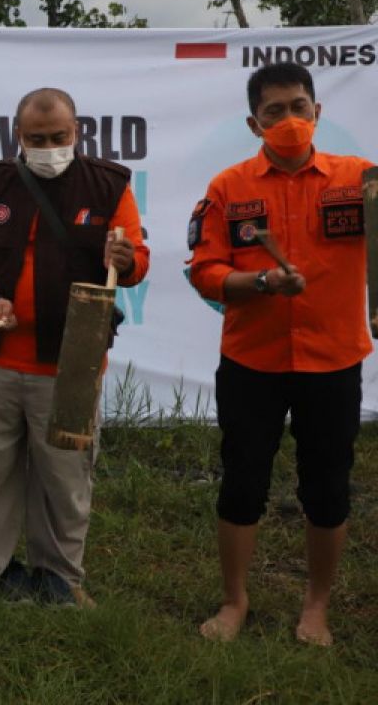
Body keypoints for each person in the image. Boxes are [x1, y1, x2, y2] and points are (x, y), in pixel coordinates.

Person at [188, 62, 372, 646]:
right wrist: (263, 283)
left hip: (334, 359)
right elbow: (205, 272)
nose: (289, 120)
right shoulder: (228, 187)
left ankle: (315, 606)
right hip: (252, 362)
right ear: (253, 122)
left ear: (317, 112)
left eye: (298, 107)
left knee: (328, 487)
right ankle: (234, 601)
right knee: (242, 483)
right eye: (274, 112)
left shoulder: (361, 179)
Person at [0, 87, 149, 608]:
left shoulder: (109, 186)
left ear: (76, 131)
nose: (49, 146)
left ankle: (60, 576)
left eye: (59, 137)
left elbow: (137, 262)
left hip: (73, 361)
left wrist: (125, 259)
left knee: (66, 475)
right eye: (37, 139)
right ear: (19, 136)